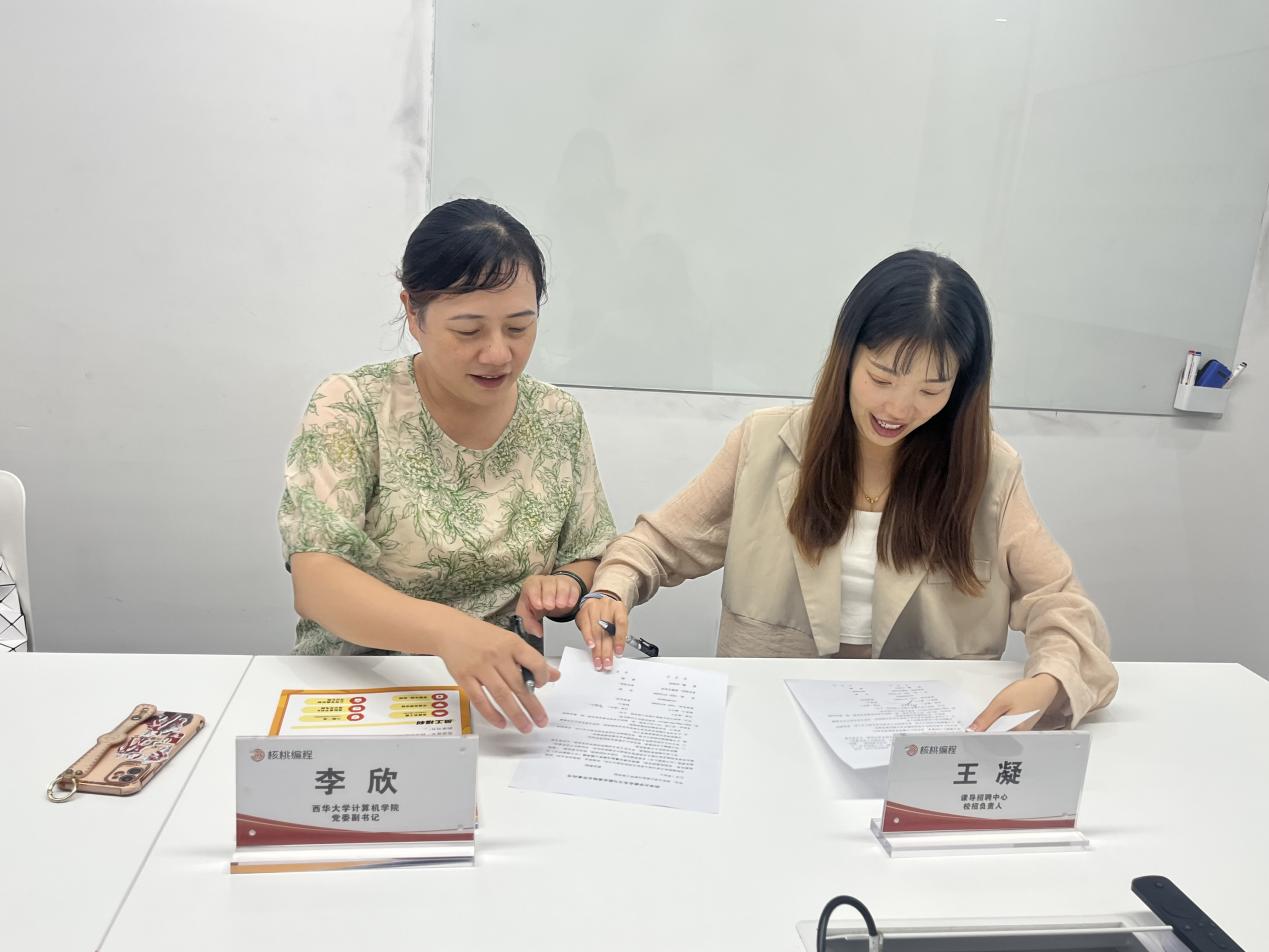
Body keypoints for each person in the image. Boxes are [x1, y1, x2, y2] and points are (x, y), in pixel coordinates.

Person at [578, 249, 1117, 729]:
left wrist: (1050, 678)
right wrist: (611, 591)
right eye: (882, 378)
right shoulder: (764, 444)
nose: (899, 408)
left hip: (920, 734)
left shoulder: (989, 472)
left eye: (931, 390)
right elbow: (655, 545)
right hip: (773, 721)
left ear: (961, 387)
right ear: (847, 354)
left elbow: (1062, 604)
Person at [278, 199, 616, 733]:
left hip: (502, 696)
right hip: (362, 688)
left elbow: (587, 549)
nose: (498, 354)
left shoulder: (557, 417)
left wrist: (566, 583)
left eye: (519, 328)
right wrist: (450, 632)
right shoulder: (353, 406)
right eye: (468, 331)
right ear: (414, 314)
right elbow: (317, 580)